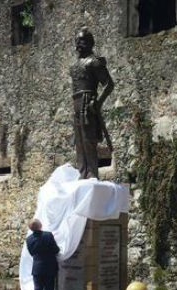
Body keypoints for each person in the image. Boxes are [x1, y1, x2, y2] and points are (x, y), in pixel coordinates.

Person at [70, 26, 115, 179]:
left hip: (87, 105)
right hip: (76, 105)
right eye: (77, 41)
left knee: (89, 142)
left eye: (82, 41)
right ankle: (83, 174)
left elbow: (109, 85)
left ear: (89, 43)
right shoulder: (75, 66)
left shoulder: (94, 62)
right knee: (80, 144)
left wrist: (98, 102)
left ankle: (91, 176)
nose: (78, 44)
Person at [26, 219, 60, 290]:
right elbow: (56, 250)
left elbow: (31, 253)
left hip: (37, 268)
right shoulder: (48, 235)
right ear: (40, 225)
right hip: (50, 267)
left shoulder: (29, 239)